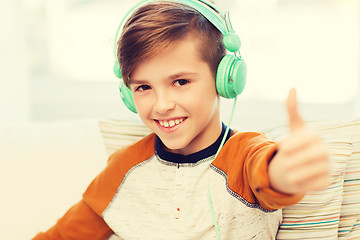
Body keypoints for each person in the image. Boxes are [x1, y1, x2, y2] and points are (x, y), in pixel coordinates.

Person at [33, 0, 330, 239]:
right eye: (144, 87)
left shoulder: (246, 154)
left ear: (224, 80)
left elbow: (272, 174)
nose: (162, 105)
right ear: (127, 93)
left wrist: (289, 170)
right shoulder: (124, 168)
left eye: (180, 82)